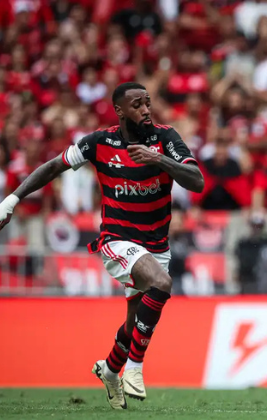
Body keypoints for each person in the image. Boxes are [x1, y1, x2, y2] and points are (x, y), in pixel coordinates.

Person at [0, 82, 204, 409]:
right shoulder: (99, 142)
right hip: (118, 239)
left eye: (148, 103)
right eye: (137, 105)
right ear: (120, 111)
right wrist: (12, 199)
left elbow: (196, 181)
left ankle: (110, 370)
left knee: (133, 325)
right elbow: (54, 166)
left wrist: (159, 160)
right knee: (163, 284)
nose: (146, 110)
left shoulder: (165, 138)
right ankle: (134, 370)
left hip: (156, 245)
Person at [234, 213, 267, 295]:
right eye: (254, 226)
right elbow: (239, 265)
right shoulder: (243, 244)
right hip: (248, 286)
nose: (256, 229)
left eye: (259, 226)